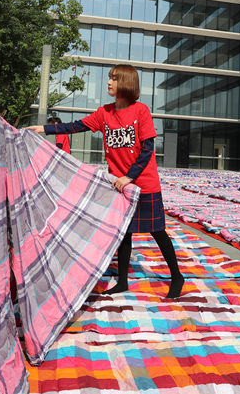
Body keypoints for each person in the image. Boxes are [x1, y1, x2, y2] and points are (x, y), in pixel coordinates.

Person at [28, 65, 185, 299]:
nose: (109, 82)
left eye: (113, 78)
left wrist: (128, 177)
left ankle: (177, 277)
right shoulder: (104, 113)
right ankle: (122, 281)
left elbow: (147, 150)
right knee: (123, 234)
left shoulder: (141, 111)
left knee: (157, 231)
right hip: (118, 184)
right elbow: (76, 126)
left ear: (126, 83)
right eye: (109, 78)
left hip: (143, 183)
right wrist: (44, 128)